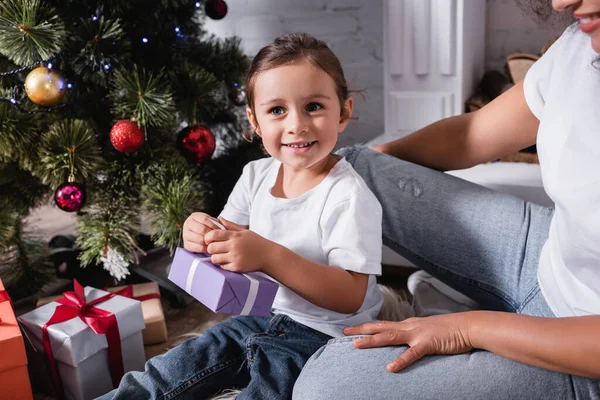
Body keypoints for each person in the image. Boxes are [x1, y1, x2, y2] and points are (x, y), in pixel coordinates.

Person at [292, 0, 600, 399]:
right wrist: (367, 171)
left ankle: (459, 312)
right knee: (348, 168)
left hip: (584, 356)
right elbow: (471, 133)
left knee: (323, 387)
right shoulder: (580, 46)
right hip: (546, 258)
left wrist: (467, 328)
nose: (561, 2)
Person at [98, 33, 383, 400]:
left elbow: (350, 295)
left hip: (323, 337)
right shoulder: (256, 175)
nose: (296, 124)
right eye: (277, 110)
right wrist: (199, 232)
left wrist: (269, 256)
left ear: (342, 112)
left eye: (313, 106)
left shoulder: (348, 196)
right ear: (255, 121)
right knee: (167, 373)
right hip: (258, 317)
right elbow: (228, 237)